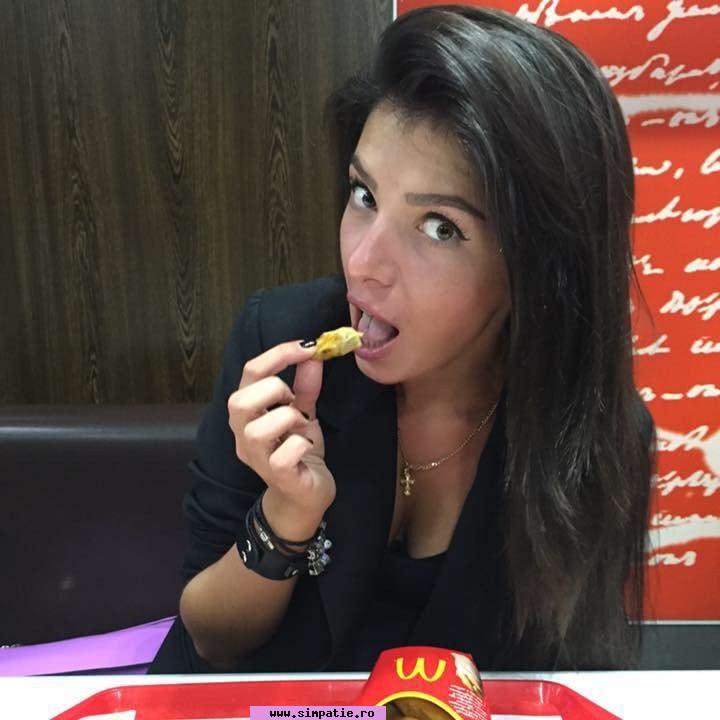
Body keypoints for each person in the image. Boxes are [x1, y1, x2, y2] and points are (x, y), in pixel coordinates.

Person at [149, 4, 655, 674]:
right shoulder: (279, 346)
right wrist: (286, 516)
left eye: (440, 227)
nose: (362, 264)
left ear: (537, 268)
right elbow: (210, 639)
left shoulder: (589, 435)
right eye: (364, 195)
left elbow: (560, 683)